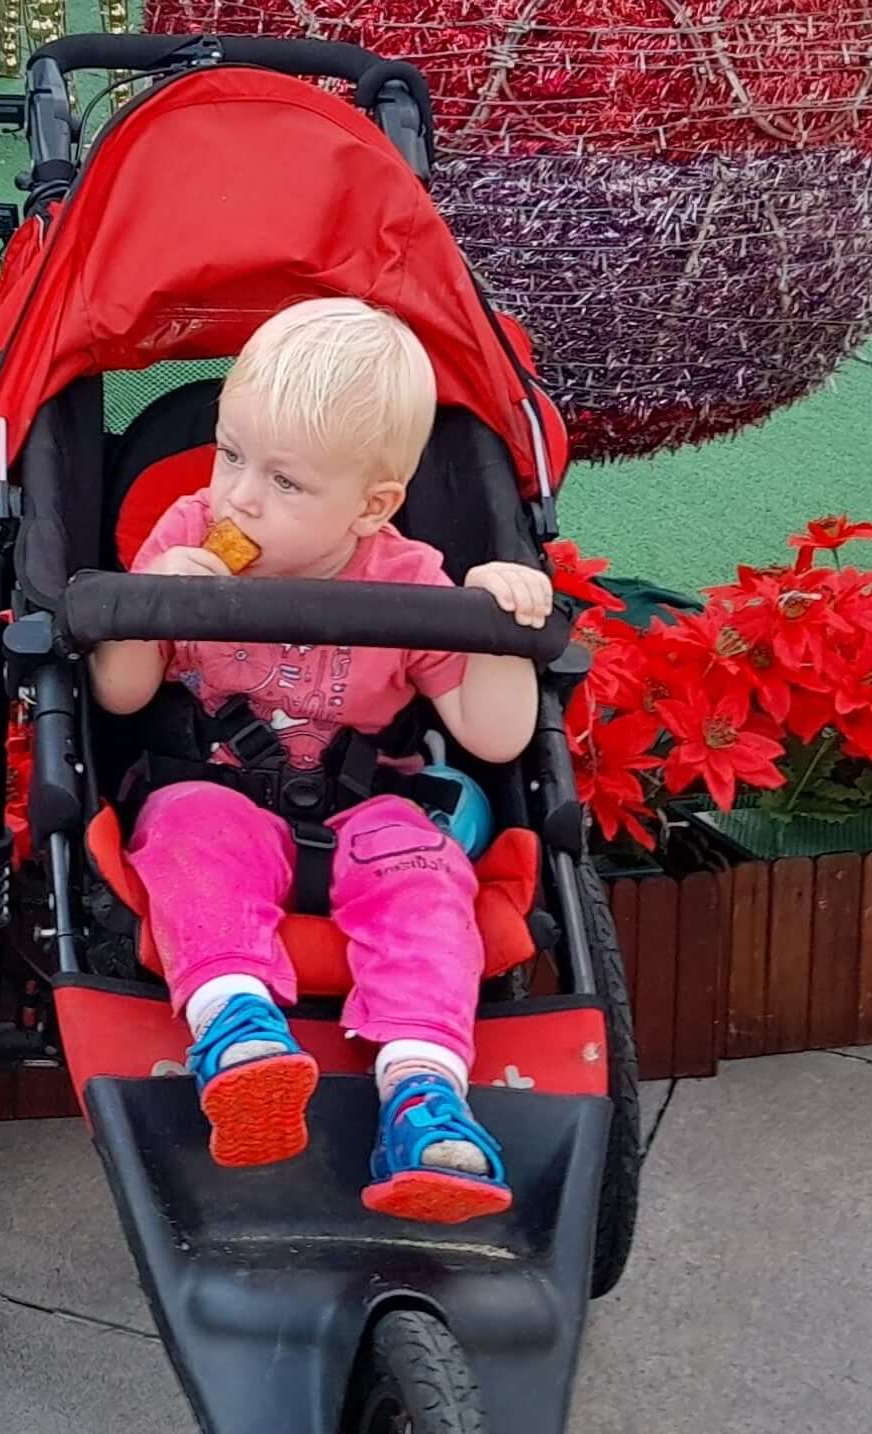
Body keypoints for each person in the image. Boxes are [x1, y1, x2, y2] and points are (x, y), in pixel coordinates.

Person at [88, 297, 557, 1226]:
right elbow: (121, 696)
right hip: (214, 782)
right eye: (230, 456)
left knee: (428, 877)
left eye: (285, 483)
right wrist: (150, 608)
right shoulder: (186, 534)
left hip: (364, 799)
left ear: (372, 504)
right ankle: (236, 1030)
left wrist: (499, 626)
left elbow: (495, 736)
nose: (240, 497)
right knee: (189, 835)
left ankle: (424, 1094)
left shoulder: (409, 578)